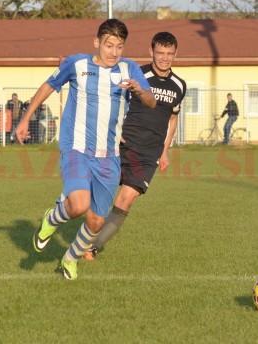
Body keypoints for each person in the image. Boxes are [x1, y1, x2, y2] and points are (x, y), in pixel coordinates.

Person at [14, 18, 156, 280]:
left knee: (96, 222)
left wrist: (139, 90)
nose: (114, 52)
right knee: (78, 205)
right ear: (97, 43)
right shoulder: (76, 64)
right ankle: (51, 220)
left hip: (109, 156)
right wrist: (25, 119)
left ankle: (69, 259)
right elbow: (49, 85)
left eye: (119, 46)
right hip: (76, 148)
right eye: (109, 45)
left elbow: (150, 102)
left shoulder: (129, 68)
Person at [84, 31, 187, 261]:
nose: (164, 58)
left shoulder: (179, 85)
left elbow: (172, 118)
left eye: (169, 54)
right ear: (151, 51)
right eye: (160, 53)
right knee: (99, 196)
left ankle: (92, 248)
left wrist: (165, 151)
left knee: (125, 201)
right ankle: (78, 231)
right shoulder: (136, 73)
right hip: (123, 146)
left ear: (175, 54)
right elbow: (113, 102)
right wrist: (113, 132)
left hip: (149, 154)